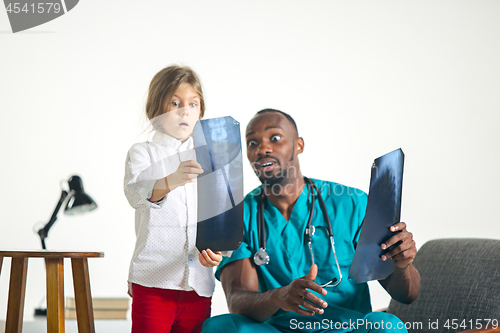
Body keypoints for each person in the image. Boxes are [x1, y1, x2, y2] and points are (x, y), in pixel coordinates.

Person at [202, 109, 420, 333]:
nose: (263, 149)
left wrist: (404, 266)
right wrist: (279, 297)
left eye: (274, 138)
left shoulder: (352, 204)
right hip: (278, 330)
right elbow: (238, 300)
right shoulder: (239, 216)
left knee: (386, 326)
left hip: (347, 329)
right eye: (252, 143)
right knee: (221, 327)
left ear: (299, 145)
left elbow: (407, 295)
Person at [124, 65, 224, 333]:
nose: (185, 111)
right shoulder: (143, 153)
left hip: (198, 285)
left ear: (200, 111)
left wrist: (219, 254)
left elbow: (220, 217)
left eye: (193, 104)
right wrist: (171, 179)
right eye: (175, 103)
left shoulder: (212, 158)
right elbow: (135, 193)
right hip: (154, 282)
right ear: (157, 109)